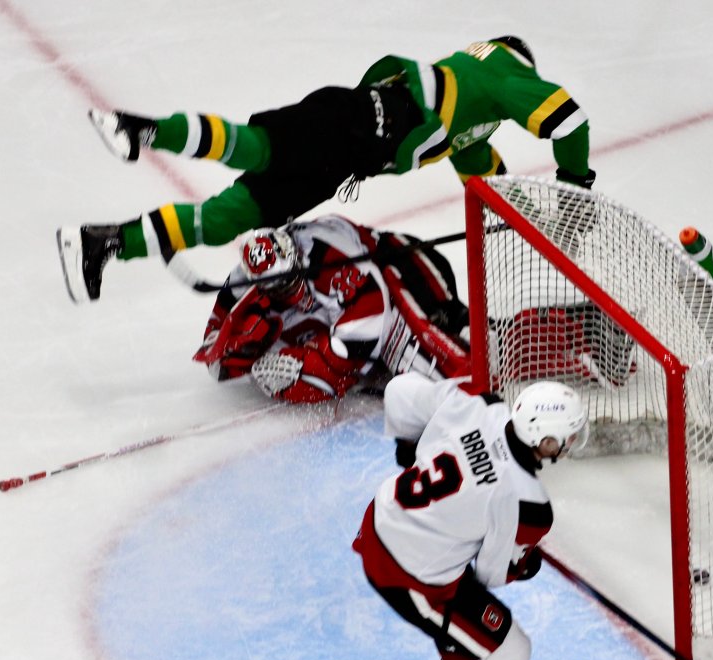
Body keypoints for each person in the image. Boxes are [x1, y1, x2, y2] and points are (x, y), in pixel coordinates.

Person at [56, 36, 595, 302]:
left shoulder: (475, 119)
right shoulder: (505, 72)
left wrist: (531, 220)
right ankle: (141, 128)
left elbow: (488, 183)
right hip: (356, 121)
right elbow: (570, 122)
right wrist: (573, 191)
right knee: (257, 147)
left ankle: (103, 242)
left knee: (230, 217)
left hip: (348, 156)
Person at [351, 375, 589, 660]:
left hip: (383, 517)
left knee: (466, 615)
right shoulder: (529, 506)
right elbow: (495, 573)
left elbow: (400, 393)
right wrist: (526, 562)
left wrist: (408, 447)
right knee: (509, 646)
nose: (568, 445)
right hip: (408, 574)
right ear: (545, 441)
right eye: (566, 437)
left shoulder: (481, 405)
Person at [194, 214, 471, 403]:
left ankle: (483, 343)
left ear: (296, 258)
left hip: (401, 266)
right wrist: (250, 357)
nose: (286, 290)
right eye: (276, 287)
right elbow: (215, 357)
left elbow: (372, 321)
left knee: (439, 352)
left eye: (289, 280)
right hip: (353, 311)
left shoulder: (328, 255)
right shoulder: (245, 281)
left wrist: (305, 364)